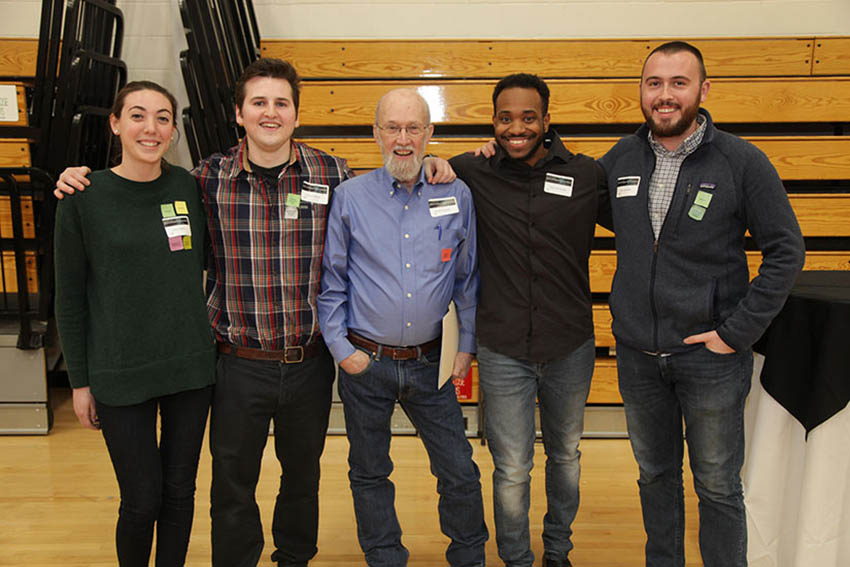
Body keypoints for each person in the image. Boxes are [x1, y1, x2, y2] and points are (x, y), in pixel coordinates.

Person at [54, 58, 456, 567]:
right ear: (239, 114)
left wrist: (436, 163)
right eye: (259, 103)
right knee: (232, 485)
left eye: (281, 103)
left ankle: (293, 559)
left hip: (308, 360)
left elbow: (394, 187)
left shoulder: (332, 174)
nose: (271, 113)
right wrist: (78, 177)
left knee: (302, 478)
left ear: (295, 113)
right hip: (236, 363)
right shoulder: (205, 180)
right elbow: (139, 189)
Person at [598, 41, 805, 567]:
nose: (664, 95)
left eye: (678, 83)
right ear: (641, 92)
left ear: (703, 90)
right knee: (655, 476)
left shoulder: (741, 161)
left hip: (710, 357)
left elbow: (786, 251)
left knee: (716, 484)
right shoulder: (620, 158)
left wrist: (735, 332)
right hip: (638, 355)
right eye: (654, 84)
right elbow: (561, 197)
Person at [317, 88, 488, 567]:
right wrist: (340, 350)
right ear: (375, 134)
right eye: (392, 128)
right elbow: (332, 282)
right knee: (369, 471)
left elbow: (466, 279)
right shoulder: (350, 198)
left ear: (430, 134)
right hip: (363, 362)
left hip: (432, 364)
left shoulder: (456, 194)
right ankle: (385, 556)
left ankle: (469, 556)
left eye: (414, 128)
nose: (403, 140)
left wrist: (465, 348)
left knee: (458, 469)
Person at [54, 81, 216, 567]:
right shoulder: (83, 196)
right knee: (141, 497)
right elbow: (69, 298)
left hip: (190, 369)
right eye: (139, 115)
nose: (151, 128)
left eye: (163, 117)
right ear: (116, 124)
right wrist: (79, 383)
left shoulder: (189, 186)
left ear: (173, 129)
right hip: (120, 374)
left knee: (179, 492)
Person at [451, 74, 610, 567]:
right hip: (502, 350)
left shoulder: (587, 176)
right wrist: (435, 160)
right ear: (492, 121)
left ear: (547, 120)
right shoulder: (471, 172)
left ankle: (558, 551)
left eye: (527, 117)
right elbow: (422, 169)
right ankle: (516, 559)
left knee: (565, 458)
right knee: (512, 468)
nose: (515, 128)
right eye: (505, 118)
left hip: (570, 345)